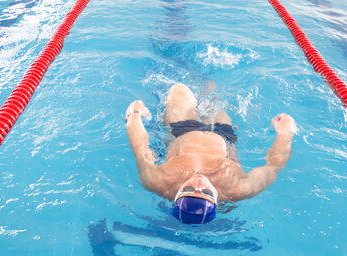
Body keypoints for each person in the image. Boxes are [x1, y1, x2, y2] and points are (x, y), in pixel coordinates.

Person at [125, 83, 297, 224]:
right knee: (213, 92)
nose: (199, 183)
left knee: (179, 89)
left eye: (189, 189)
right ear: (215, 199)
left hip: (182, 130)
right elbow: (274, 166)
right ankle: (203, 81)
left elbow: (140, 147)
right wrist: (286, 133)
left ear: (177, 193)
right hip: (224, 134)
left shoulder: (158, 181)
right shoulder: (237, 190)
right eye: (207, 192)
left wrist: (134, 114)